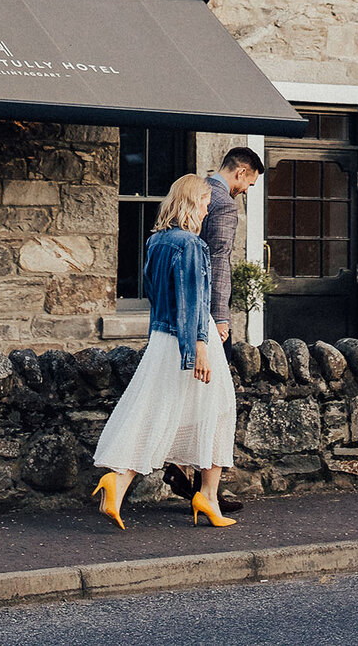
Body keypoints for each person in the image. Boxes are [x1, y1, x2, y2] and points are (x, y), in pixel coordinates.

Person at [90, 174, 237, 529]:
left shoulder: (157, 241)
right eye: (204, 203)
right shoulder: (190, 245)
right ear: (190, 203)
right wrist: (199, 349)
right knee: (219, 411)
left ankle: (118, 481)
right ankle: (209, 496)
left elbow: (160, 298)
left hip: (161, 338)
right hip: (190, 338)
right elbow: (192, 303)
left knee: (152, 411)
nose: (207, 210)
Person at [167, 147, 262, 510]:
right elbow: (217, 261)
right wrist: (219, 318)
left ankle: (187, 473)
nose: (247, 190)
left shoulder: (196, 190)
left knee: (185, 395)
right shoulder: (221, 204)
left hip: (176, 315)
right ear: (240, 172)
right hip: (205, 319)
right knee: (215, 403)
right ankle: (206, 491)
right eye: (249, 183)